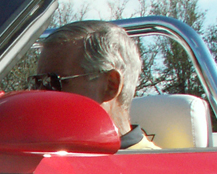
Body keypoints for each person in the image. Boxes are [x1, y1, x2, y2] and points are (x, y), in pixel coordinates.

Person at [30, 20, 159, 150]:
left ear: (111, 85)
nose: (41, 94)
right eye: (38, 82)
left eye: (54, 82)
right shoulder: (45, 156)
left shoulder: (156, 167)